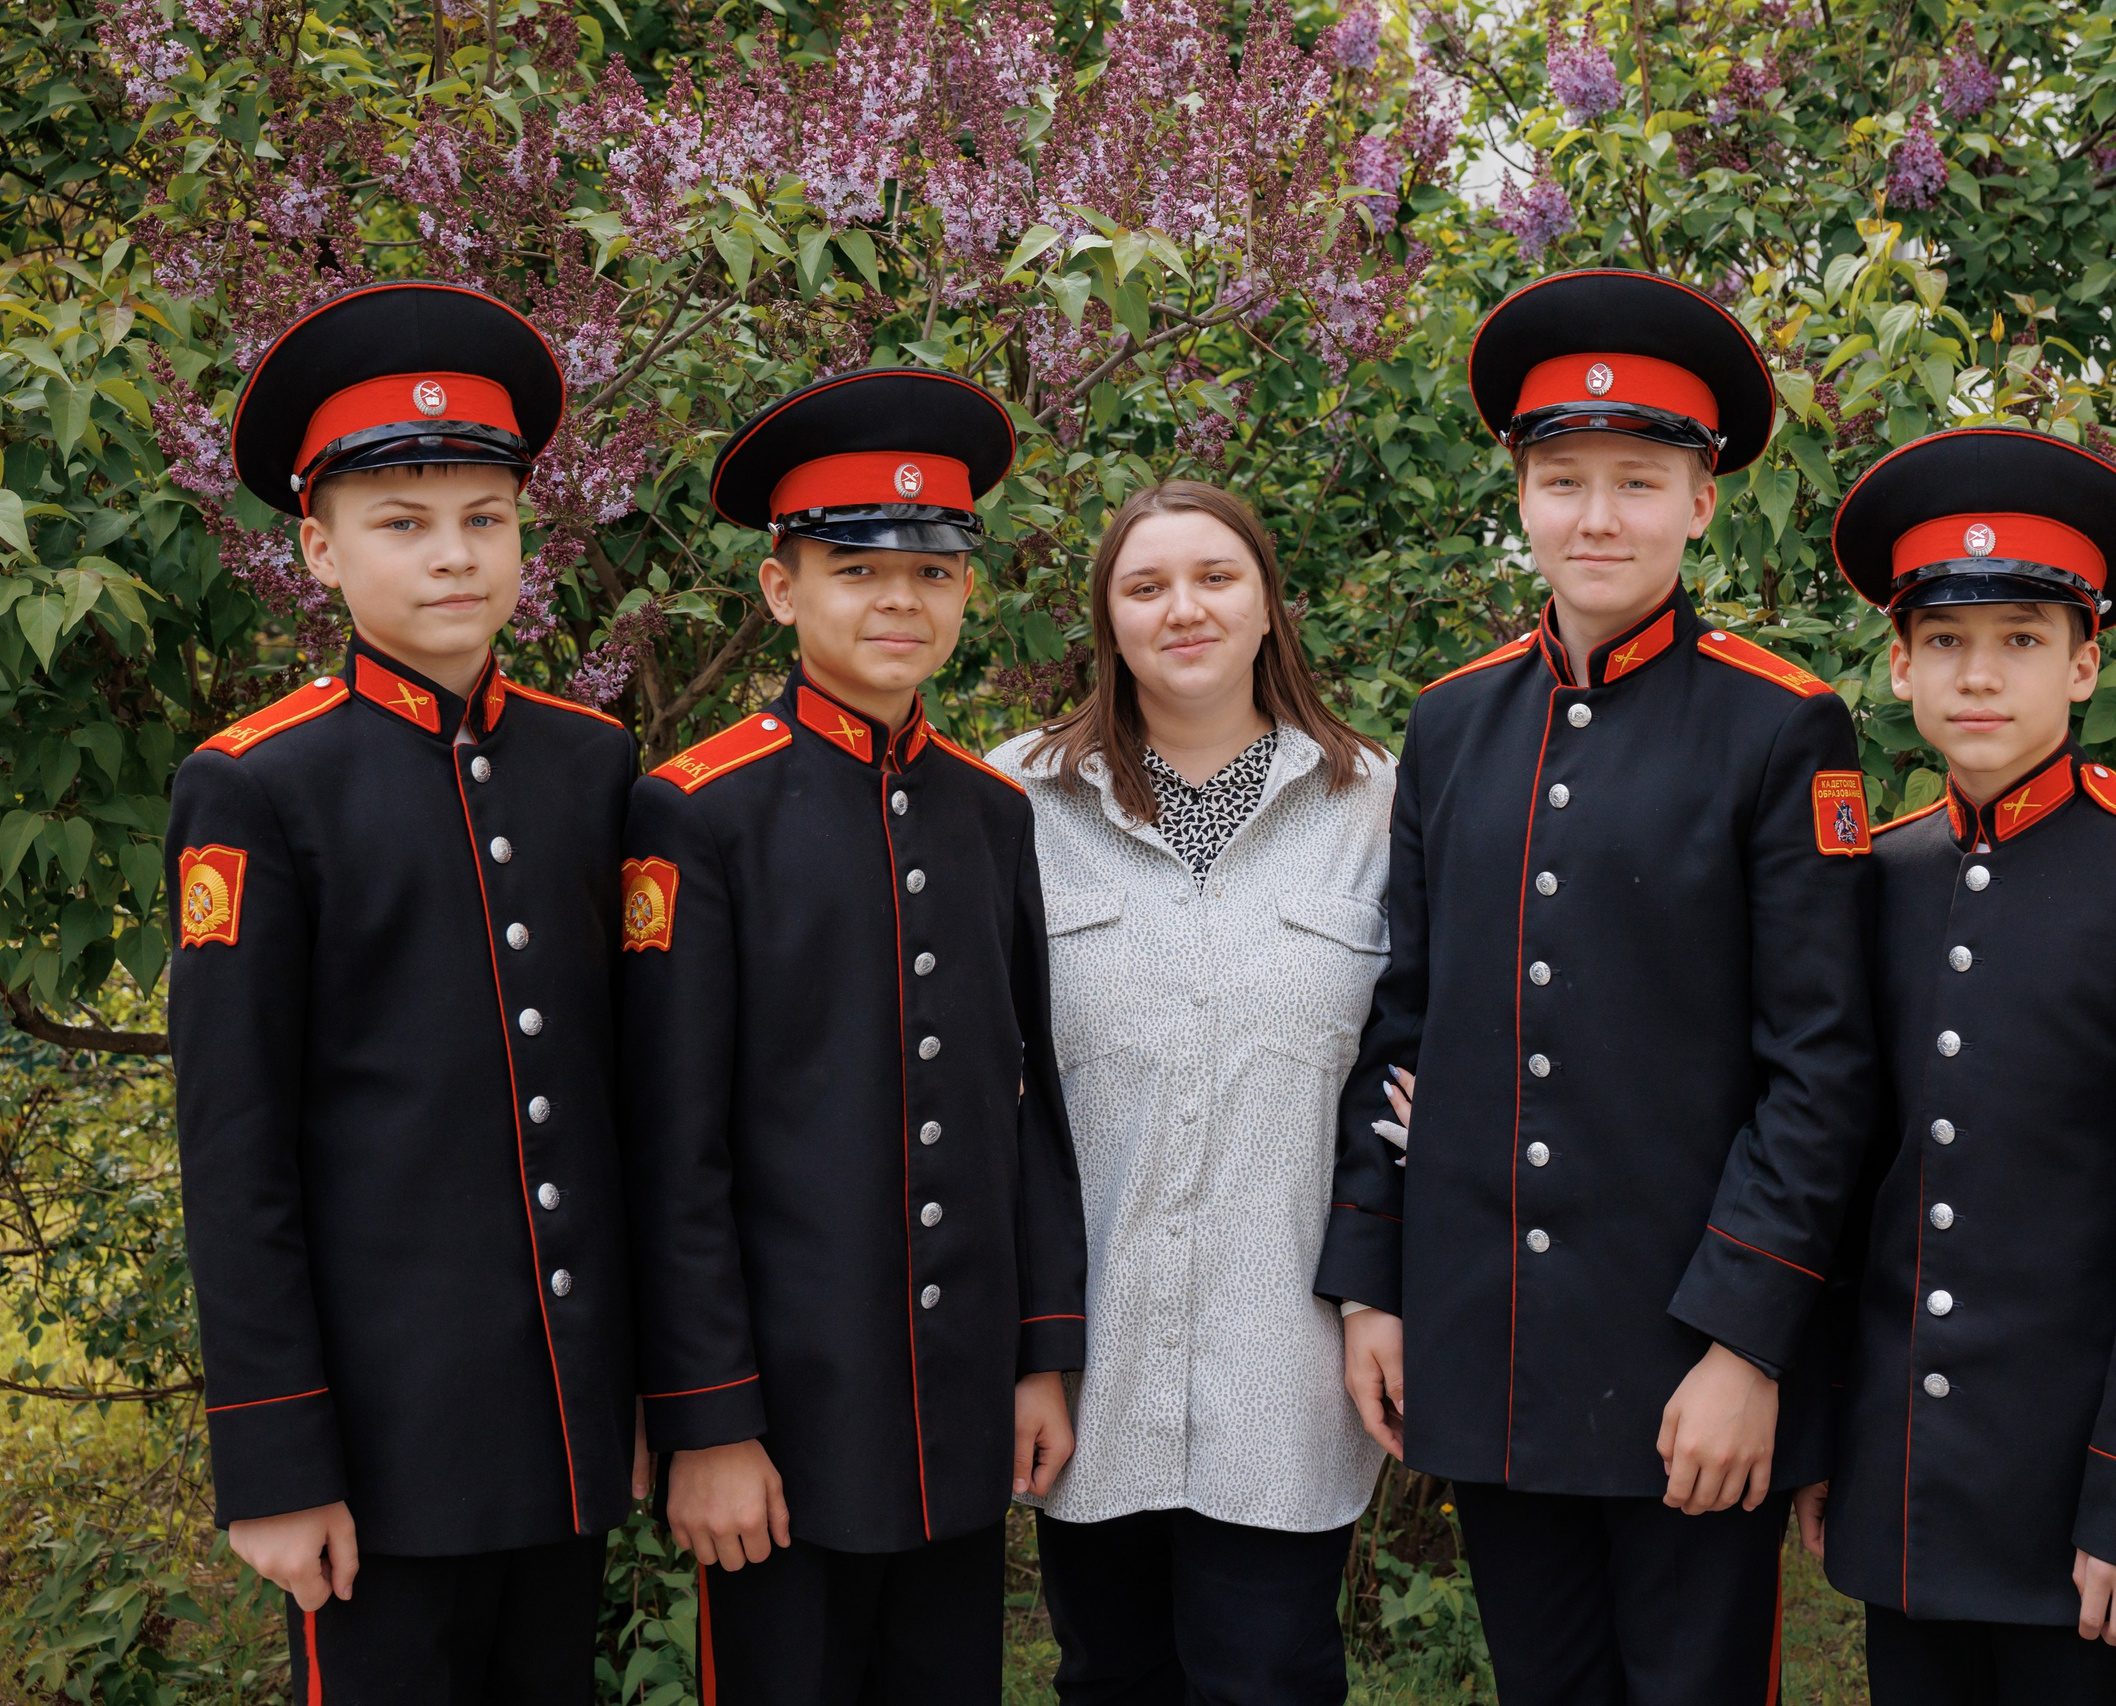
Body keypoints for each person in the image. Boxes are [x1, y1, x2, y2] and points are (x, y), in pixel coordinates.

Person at [1314, 268, 1883, 1706]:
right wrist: (1374, 1284)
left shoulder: (1781, 726)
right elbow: (1408, 1019)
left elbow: (1823, 1065)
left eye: (1639, 480)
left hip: (1688, 1360)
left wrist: (1748, 1342)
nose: (1599, 517)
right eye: (1563, 479)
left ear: (1702, 502)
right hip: (1495, 1349)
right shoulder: (1451, 722)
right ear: (1521, 494)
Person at [167, 281, 644, 1698]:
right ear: (316, 545)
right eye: (403, 523)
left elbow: (616, 1106)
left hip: (564, 1430)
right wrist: (275, 1454)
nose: (454, 557)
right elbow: (236, 1150)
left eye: (484, 520)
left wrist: (630, 1392)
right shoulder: (257, 786)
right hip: (375, 1456)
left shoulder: (592, 766)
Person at [618, 367, 1086, 1705]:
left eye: (932, 573)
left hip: (954, 1410)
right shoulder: (699, 812)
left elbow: (1022, 1103)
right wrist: (709, 1419)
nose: (898, 601)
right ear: (781, 588)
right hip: (782, 1425)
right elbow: (673, 1148)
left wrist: (1041, 1352)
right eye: (855, 567)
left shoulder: (991, 811)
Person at [1802, 425, 2116, 1705]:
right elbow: (1852, 1177)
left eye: (2020, 638)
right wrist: (1831, 1432)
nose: (1979, 676)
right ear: (1899, 665)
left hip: (2086, 1504)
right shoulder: (1879, 873)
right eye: (1945, 641)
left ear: (2086, 662)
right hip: (1908, 1493)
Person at [989, 482, 1394, 1706]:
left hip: (1287, 1368)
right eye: (1144, 584)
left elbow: (1408, 1067)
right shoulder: (1013, 803)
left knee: (1270, 1674)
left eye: (1215, 577)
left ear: (1268, 602)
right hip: (1089, 1370)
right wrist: (1023, 1346)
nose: (1184, 609)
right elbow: (989, 1099)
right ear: (1105, 621)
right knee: (1108, 1673)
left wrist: (1381, 1287)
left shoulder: (1376, 804)